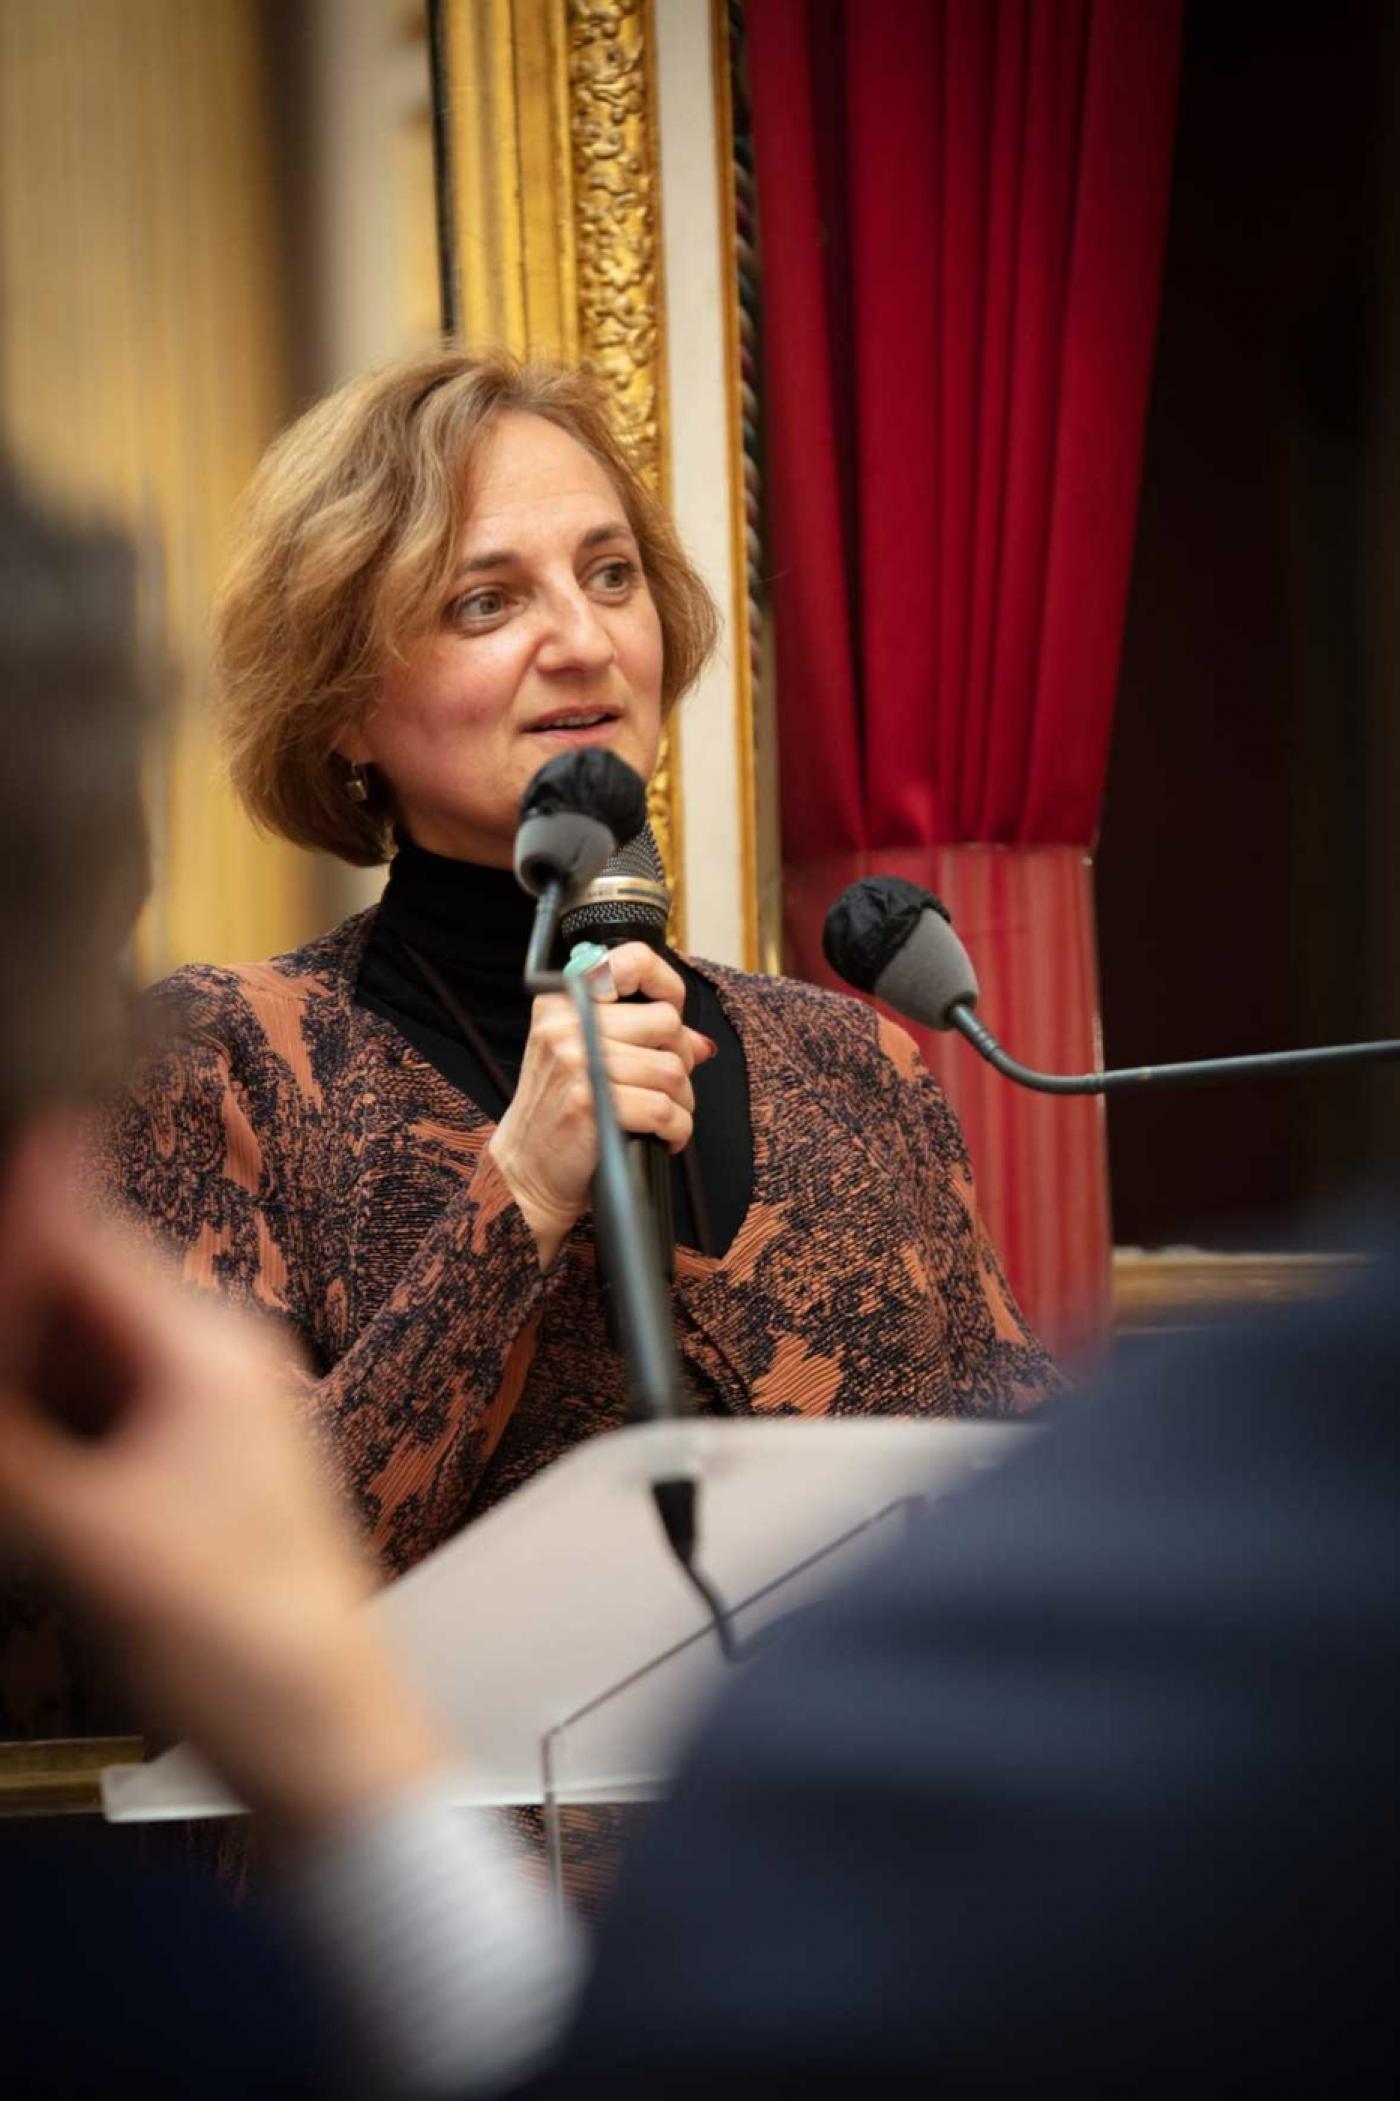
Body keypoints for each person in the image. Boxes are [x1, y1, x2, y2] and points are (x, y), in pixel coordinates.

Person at [84, 352, 1055, 1609]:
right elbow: (238, 1594)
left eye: (611, 576)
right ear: (342, 707)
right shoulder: (220, 1063)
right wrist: (522, 1188)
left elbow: (1027, 1508)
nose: (584, 641)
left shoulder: (854, 1062)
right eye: (486, 602)